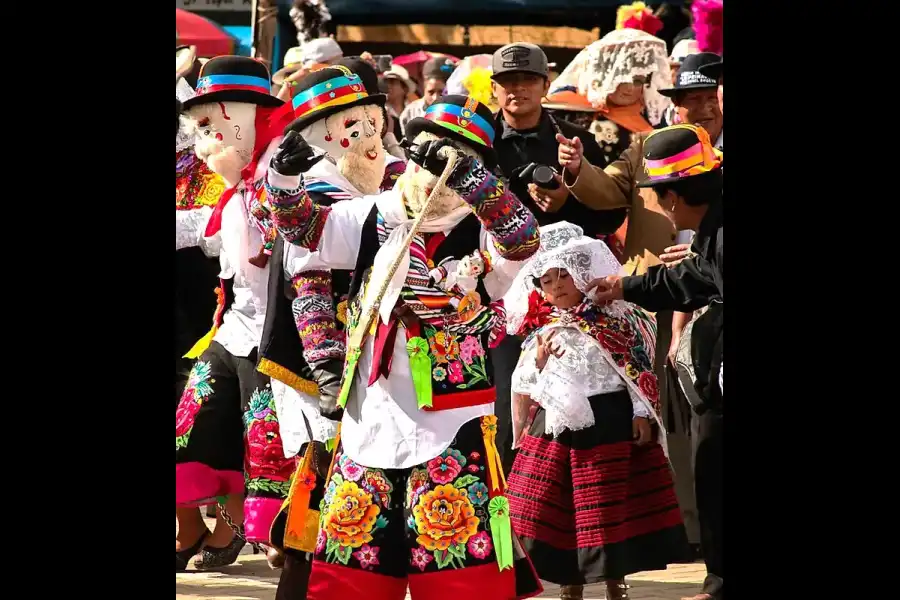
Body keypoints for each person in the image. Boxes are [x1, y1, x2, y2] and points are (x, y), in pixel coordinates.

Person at [265, 94, 543, 599]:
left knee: (454, 566)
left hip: (451, 418)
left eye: (459, 154)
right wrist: (282, 180)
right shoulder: (377, 213)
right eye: (432, 151)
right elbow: (304, 230)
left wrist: (468, 182)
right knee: (353, 567)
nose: (439, 162)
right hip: (370, 412)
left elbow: (522, 241)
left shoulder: (484, 224)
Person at [256, 58, 406, 599]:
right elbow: (309, 284)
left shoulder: (393, 177)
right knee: (323, 479)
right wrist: (327, 368)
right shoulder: (308, 190)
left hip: (384, 355)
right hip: (323, 362)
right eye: (350, 129)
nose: (365, 138)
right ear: (321, 139)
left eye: (369, 123)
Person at [504, 222, 690, 600]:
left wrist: (641, 411)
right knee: (558, 507)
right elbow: (524, 382)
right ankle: (569, 582)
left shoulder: (616, 319)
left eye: (564, 276)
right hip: (556, 427)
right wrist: (538, 360)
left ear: (582, 273)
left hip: (609, 423)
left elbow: (636, 370)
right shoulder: (542, 331)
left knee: (607, 508)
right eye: (547, 279)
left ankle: (614, 581)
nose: (556, 286)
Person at [589, 124, 723, 600]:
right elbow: (692, 278)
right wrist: (626, 286)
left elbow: (701, 278)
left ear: (679, 194)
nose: (663, 208)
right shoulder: (711, 231)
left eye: (663, 197)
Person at [176, 56, 297, 569]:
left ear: (245, 116)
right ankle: (219, 532)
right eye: (197, 126)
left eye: (211, 124)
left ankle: (275, 540)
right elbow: (209, 233)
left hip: (284, 338)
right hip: (232, 329)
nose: (204, 140)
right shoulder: (238, 182)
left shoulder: (287, 173)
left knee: (268, 445)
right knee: (191, 426)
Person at [488, 41, 628, 475]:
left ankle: (563, 510)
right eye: (508, 82)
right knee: (507, 395)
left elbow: (610, 214)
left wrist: (571, 188)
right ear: (494, 89)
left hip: (570, 293)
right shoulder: (479, 139)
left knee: (573, 396)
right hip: (501, 289)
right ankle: (511, 503)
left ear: (545, 85)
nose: (518, 90)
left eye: (527, 80)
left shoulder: (577, 140)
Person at [399, 56, 457, 135]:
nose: (435, 97)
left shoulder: (458, 113)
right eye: (431, 92)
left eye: (441, 92)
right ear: (423, 87)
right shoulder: (410, 112)